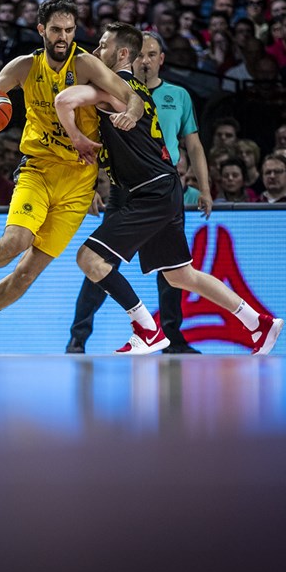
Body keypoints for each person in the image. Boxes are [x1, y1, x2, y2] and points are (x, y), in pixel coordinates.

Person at [0, 0, 145, 354]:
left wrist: (133, 114)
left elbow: (130, 95)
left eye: (70, 30)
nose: (63, 37)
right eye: (56, 30)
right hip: (39, 170)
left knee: (26, 275)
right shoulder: (26, 66)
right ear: (41, 29)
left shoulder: (86, 64)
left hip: (78, 184)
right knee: (17, 240)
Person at [54, 22, 283, 355]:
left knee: (89, 258)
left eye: (102, 45)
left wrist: (77, 138)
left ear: (121, 53)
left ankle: (147, 329)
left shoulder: (114, 87)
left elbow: (63, 100)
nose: (95, 51)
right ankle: (258, 323)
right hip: (163, 186)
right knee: (180, 276)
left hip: (150, 190)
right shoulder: (136, 89)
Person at [65, 31, 213, 355]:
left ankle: (169, 336)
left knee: (170, 269)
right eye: (141, 54)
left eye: (152, 54)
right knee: (100, 261)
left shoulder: (177, 95)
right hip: (125, 187)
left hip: (161, 184)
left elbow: (194, 145)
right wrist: (91, 187)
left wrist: (204, 188)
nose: (145, 60)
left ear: (161, 59)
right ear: (130, 56)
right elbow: (97, 140)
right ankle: (78, 337)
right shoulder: (116, 87)